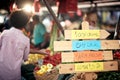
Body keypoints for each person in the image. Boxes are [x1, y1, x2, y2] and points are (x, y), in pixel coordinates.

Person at [0, 10, 30, 80]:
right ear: (26, 23)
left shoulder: (4, 33)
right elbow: (25, 58)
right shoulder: (25, 39)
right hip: (14, 74)